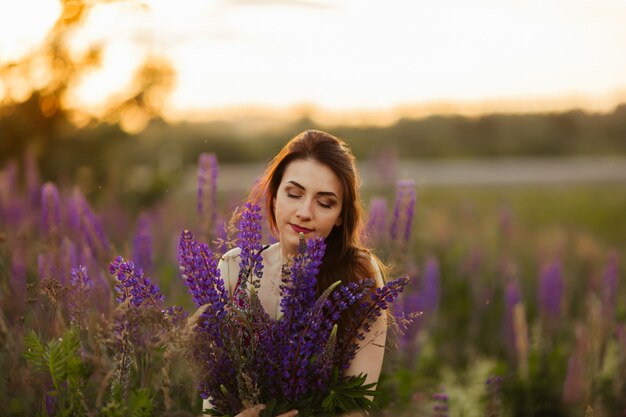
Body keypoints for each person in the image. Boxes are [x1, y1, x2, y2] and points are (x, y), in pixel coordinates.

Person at [204, 130, 387, 417]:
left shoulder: (359, 274)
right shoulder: (234, 268)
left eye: (324, 203)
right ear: (274, 195)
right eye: (294, 194)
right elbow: (211, 403)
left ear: (340, 216)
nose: (304, 212)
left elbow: (356, 408)